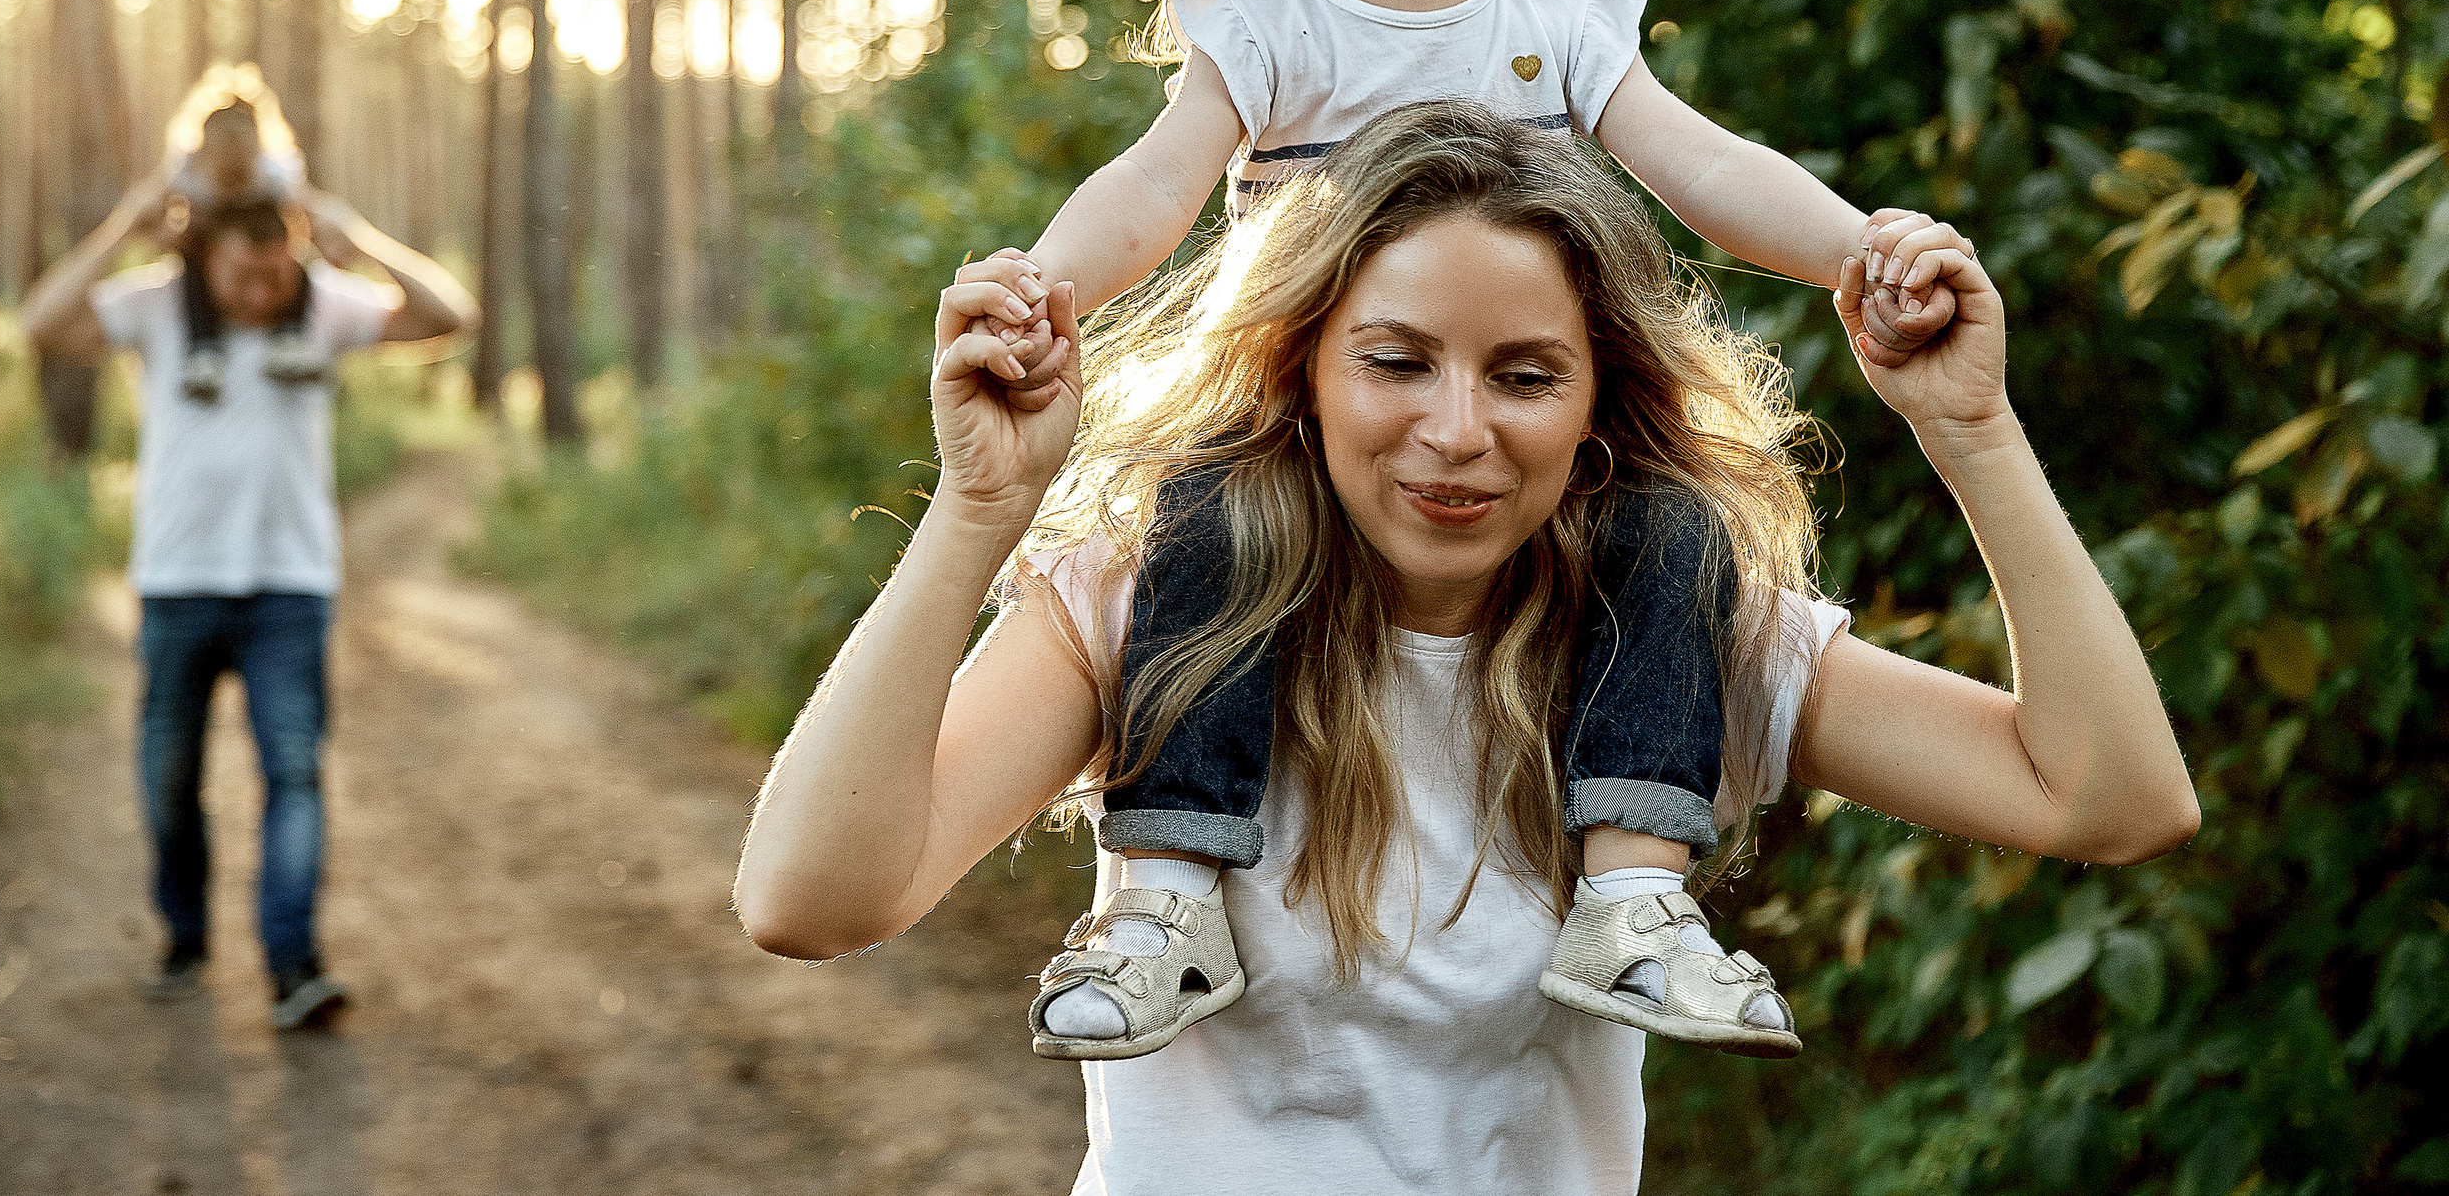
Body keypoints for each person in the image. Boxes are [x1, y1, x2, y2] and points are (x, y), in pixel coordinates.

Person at [735, 101, 2198, 1194]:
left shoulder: (1666, 644)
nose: (1455, 430)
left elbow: (2108, 795)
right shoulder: (1160, 605)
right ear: (1300, 365)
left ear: (1595, 401)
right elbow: (809, 894)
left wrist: (1972, 431)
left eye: (1524, 373)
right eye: (1394, 358)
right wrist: (983, 507)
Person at [962, 0, 1974, 1061]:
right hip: (1315, 427)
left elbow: (1705, 171)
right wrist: (1041, 285)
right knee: (1207, 525)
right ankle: (1166, 894)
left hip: (1512, 435)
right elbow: (1149, 192)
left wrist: (1859, 250)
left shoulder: (1560, 16)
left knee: (1676, 536)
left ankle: (1634, 896)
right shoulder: (1273, 28)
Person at [22, 163, 479, 1030]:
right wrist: (126, 220)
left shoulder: (324, 302)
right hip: (176, 587)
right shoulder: (158, 305)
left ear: (294, 253)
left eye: (276, 272)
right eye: (241, 273)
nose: (261, 290)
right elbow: (40, 324)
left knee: (295, 776)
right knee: (168, 780)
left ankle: (293, 965)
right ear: (203, 257)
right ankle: (185, 939)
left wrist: (358, 235)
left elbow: (452, 317)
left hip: (290, 591)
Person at [157, 65, 321, 400]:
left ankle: (290, 334)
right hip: (211, 238)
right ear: (204, 151)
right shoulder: (186, 170)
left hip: (264, 231)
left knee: (297, 265)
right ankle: (203, 349)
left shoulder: (276, 171)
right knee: (192, 274)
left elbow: (299, 213)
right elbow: (168, 217)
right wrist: (179, 234)